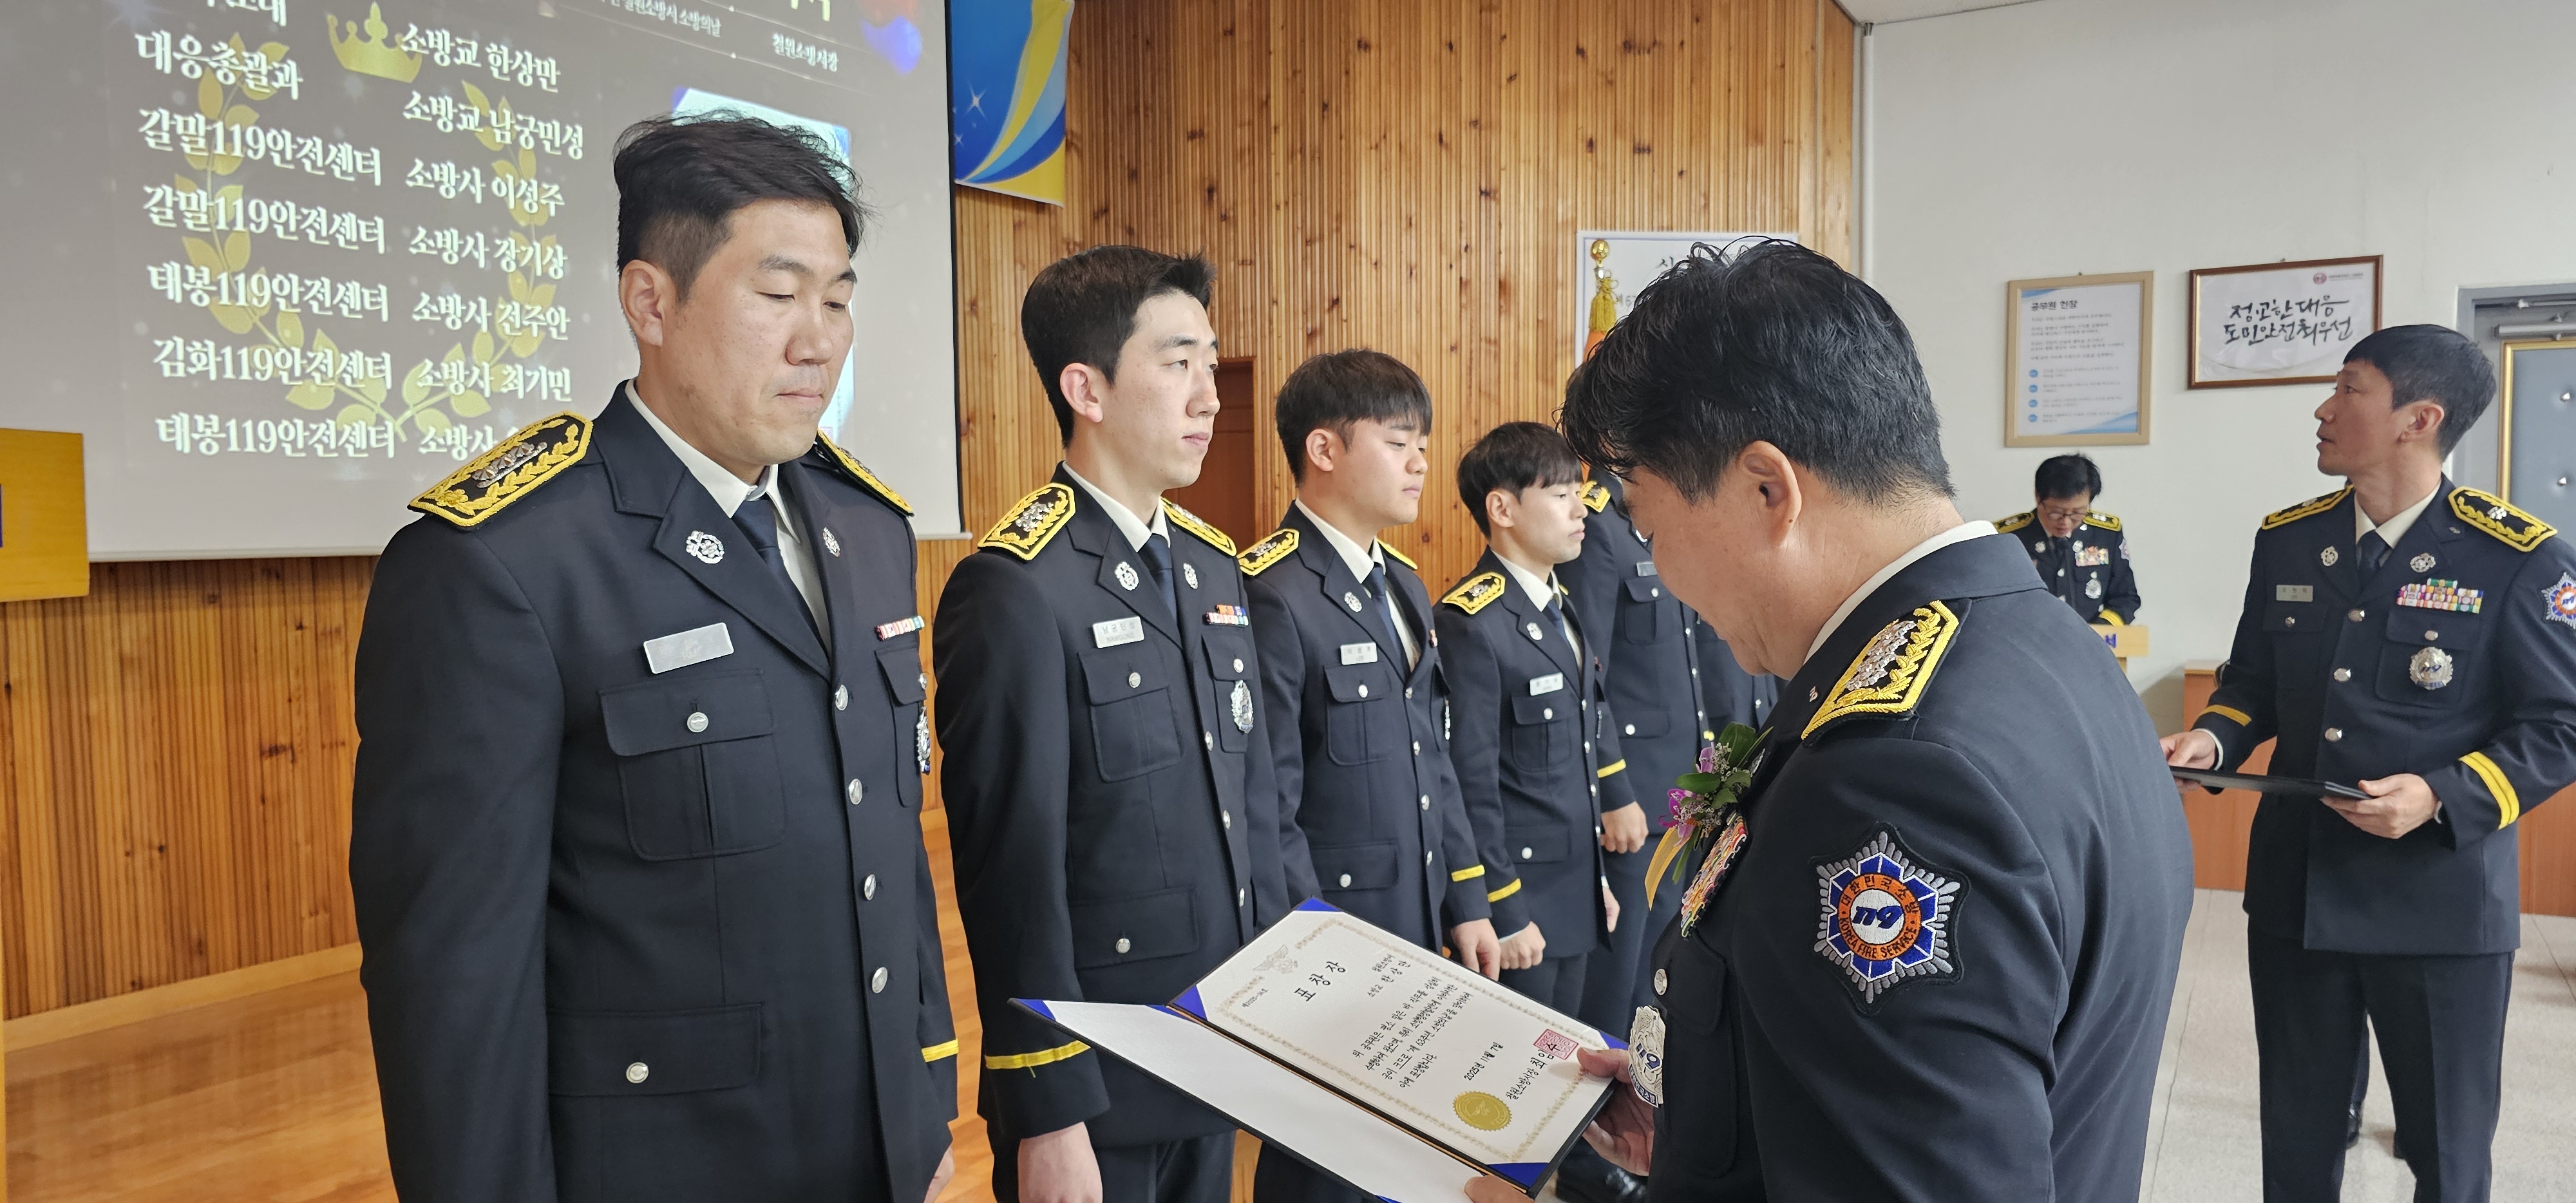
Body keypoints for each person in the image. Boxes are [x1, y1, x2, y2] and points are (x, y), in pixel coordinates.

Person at [1500, 239, 2193, 1203]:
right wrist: (1714, 1119)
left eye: (1651, 531)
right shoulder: (2041, 641)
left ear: (1766, 490)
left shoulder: (1894, 776)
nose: (1664, 574)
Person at [350, 116, 957, 1202]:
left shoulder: (865, 531)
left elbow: (887, 853)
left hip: (871, 1149)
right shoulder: (509, 563)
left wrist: (921, 1098)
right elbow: (454, 979)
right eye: (778, 294)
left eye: (836, 299)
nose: (819, 341)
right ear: (650, 303)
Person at [2163, 324, 2576, 1203]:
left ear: (2417, 420)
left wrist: (2442, 794)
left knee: (2447, 1150)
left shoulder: (2517, 558)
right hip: (2299, 889)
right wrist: (2213, 739)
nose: (2323, 408)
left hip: (2438, 900)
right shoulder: (2290, 540)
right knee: (2297, 1138)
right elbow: (2252, 682)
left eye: (2349, 388)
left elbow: (2561, 723)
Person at [933, 245, 1309, 1203]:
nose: (1209, 396)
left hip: (1217, 1049)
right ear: (1086, 389)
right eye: (1178, 362)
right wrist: (1048, 1109)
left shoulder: (1213, 567)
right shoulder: (1017, 587)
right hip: (1103, 1084)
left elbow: (1256, 807)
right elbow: (1012, 874)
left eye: (1209, 362)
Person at [1236, 348, 1502, 1203]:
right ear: (1323, 449)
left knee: (1396, 1157)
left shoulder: (1406, 587)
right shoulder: (1273, 590)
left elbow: (1434, 759)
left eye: (1422, 444)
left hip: (1413, 921)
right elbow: (1267, 800)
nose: (1421, 463)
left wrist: (1467, 899)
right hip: (1339, 938)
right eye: (1397, 443)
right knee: (1323, 1167)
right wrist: (1311, 952)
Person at [1435, 422, 1639, 1018]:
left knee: (1568, 1056)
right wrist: (1502, 908)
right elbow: (1471, 782)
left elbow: (1577, 757)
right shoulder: (1472, 622)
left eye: (1578, 493)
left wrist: (1595, 881)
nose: (1580, 510)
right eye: (1560, 495)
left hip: (1572, 893)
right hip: (1521, 906)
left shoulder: (1558, 606)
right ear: (1502, 509)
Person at [1995, 452, 2141, 625]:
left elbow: (2125, 597)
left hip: (2090, 636)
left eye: (2077, 513)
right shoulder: (2008, 538)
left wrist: (2100, 630)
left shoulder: (2106, 534)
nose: (2066, 522)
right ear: (2038, 497)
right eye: (2056, 513)